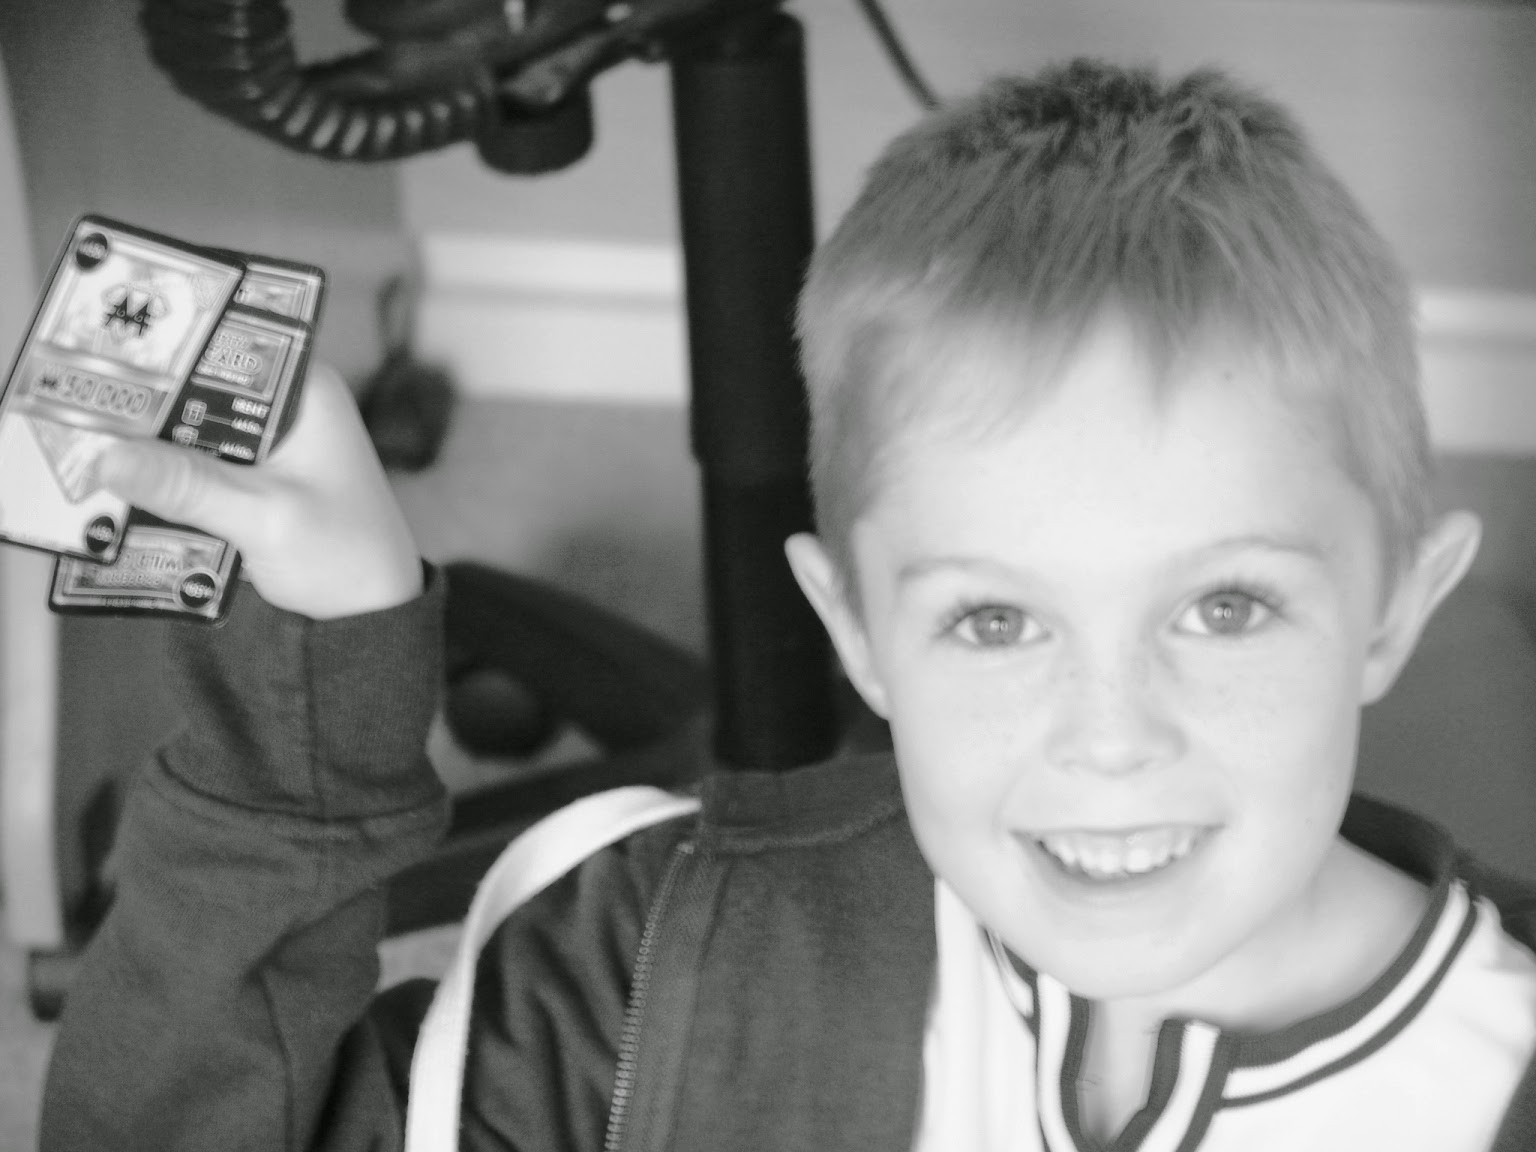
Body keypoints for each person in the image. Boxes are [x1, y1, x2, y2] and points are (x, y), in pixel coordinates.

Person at [40, 57, 1536, 1152]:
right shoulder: (648, 966)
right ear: (855, 629)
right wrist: (298, 743)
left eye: (1225, 608)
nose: (1109, 739)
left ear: (1397, 607)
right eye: (995, 621)